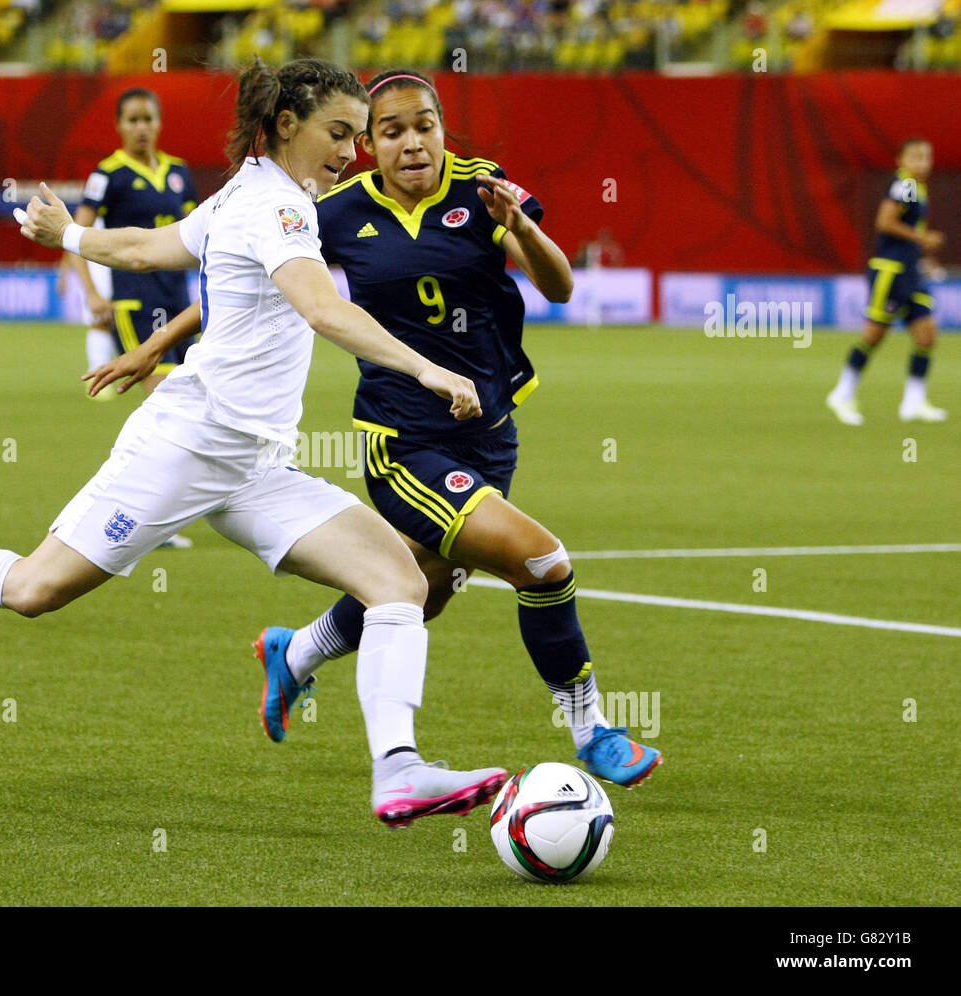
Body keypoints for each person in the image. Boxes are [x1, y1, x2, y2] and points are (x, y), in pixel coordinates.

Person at [0, 58, 507, 829]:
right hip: (186, 448)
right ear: (288, 125)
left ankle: (399, 772)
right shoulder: (277, 208)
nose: (351, 154)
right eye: (340, 134)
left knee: (398, 582)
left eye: (357, 139)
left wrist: (72, 234)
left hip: (257, 466)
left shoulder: (259, 192)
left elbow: (151, 248)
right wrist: (429, 368)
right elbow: (322, 308)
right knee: (34, 591)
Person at [87, 69, 663, 789]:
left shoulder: (481, 187)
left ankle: (295, 654)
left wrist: (521, 226)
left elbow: (558, 286)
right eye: (390, 132)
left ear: (442, 130)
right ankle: (593, 730)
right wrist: (151, 346)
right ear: (369, 144)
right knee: (541, 561)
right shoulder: (335, 210)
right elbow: (259, 273)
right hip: (404, 441)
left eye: (424, 125)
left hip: (489, 429)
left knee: (431, 586)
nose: (411, 142)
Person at [60, 88, 199, 398]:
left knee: (191, 396)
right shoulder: (109, 175)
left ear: (159, 123)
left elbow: (200, 235)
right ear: (118, 125)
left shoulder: (179, 171)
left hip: (179, 301)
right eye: (133, 120)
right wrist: (92, 294)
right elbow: (74, 236)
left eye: (148, 119)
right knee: (166, 398)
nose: (141, 127)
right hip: (136, 301)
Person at [827, 138, 947, 425]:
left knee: (927, 334)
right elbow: (884, 222)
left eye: (926, 157)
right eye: (915, 157)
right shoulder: (904, 186)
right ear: (901, 160)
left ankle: (914, 402)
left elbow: (905, 230)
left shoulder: (917, 188)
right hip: (891, 271)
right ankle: (843, 393)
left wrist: (922, 259)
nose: (922, 162)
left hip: (910, 271)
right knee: (874, 335)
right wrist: (923, 238)